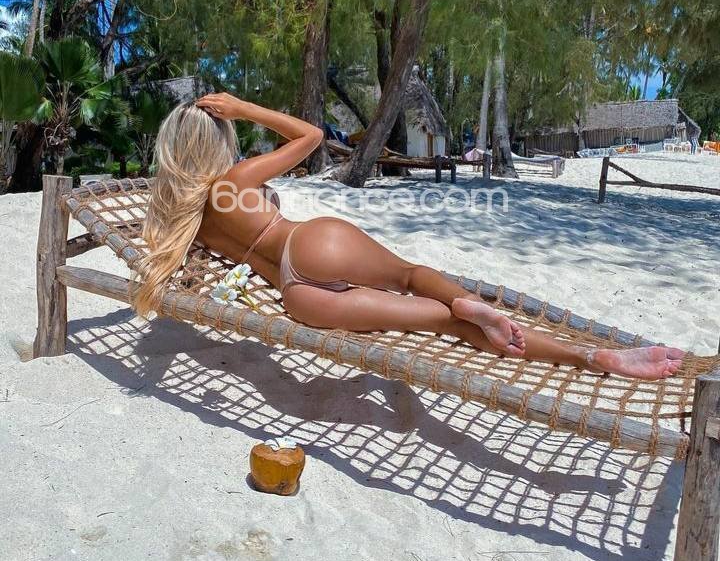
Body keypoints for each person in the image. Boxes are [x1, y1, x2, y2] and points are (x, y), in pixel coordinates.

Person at [133, 92, 684, 381]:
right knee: (411, 276)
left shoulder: (186, 217)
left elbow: (180, 263)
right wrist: (245, 109)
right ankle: (476, 305)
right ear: (218, 140)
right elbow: (310, 136)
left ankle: (589, 359)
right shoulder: (232, 182)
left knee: (443, 325)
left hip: (296, 296)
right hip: (310, 244)